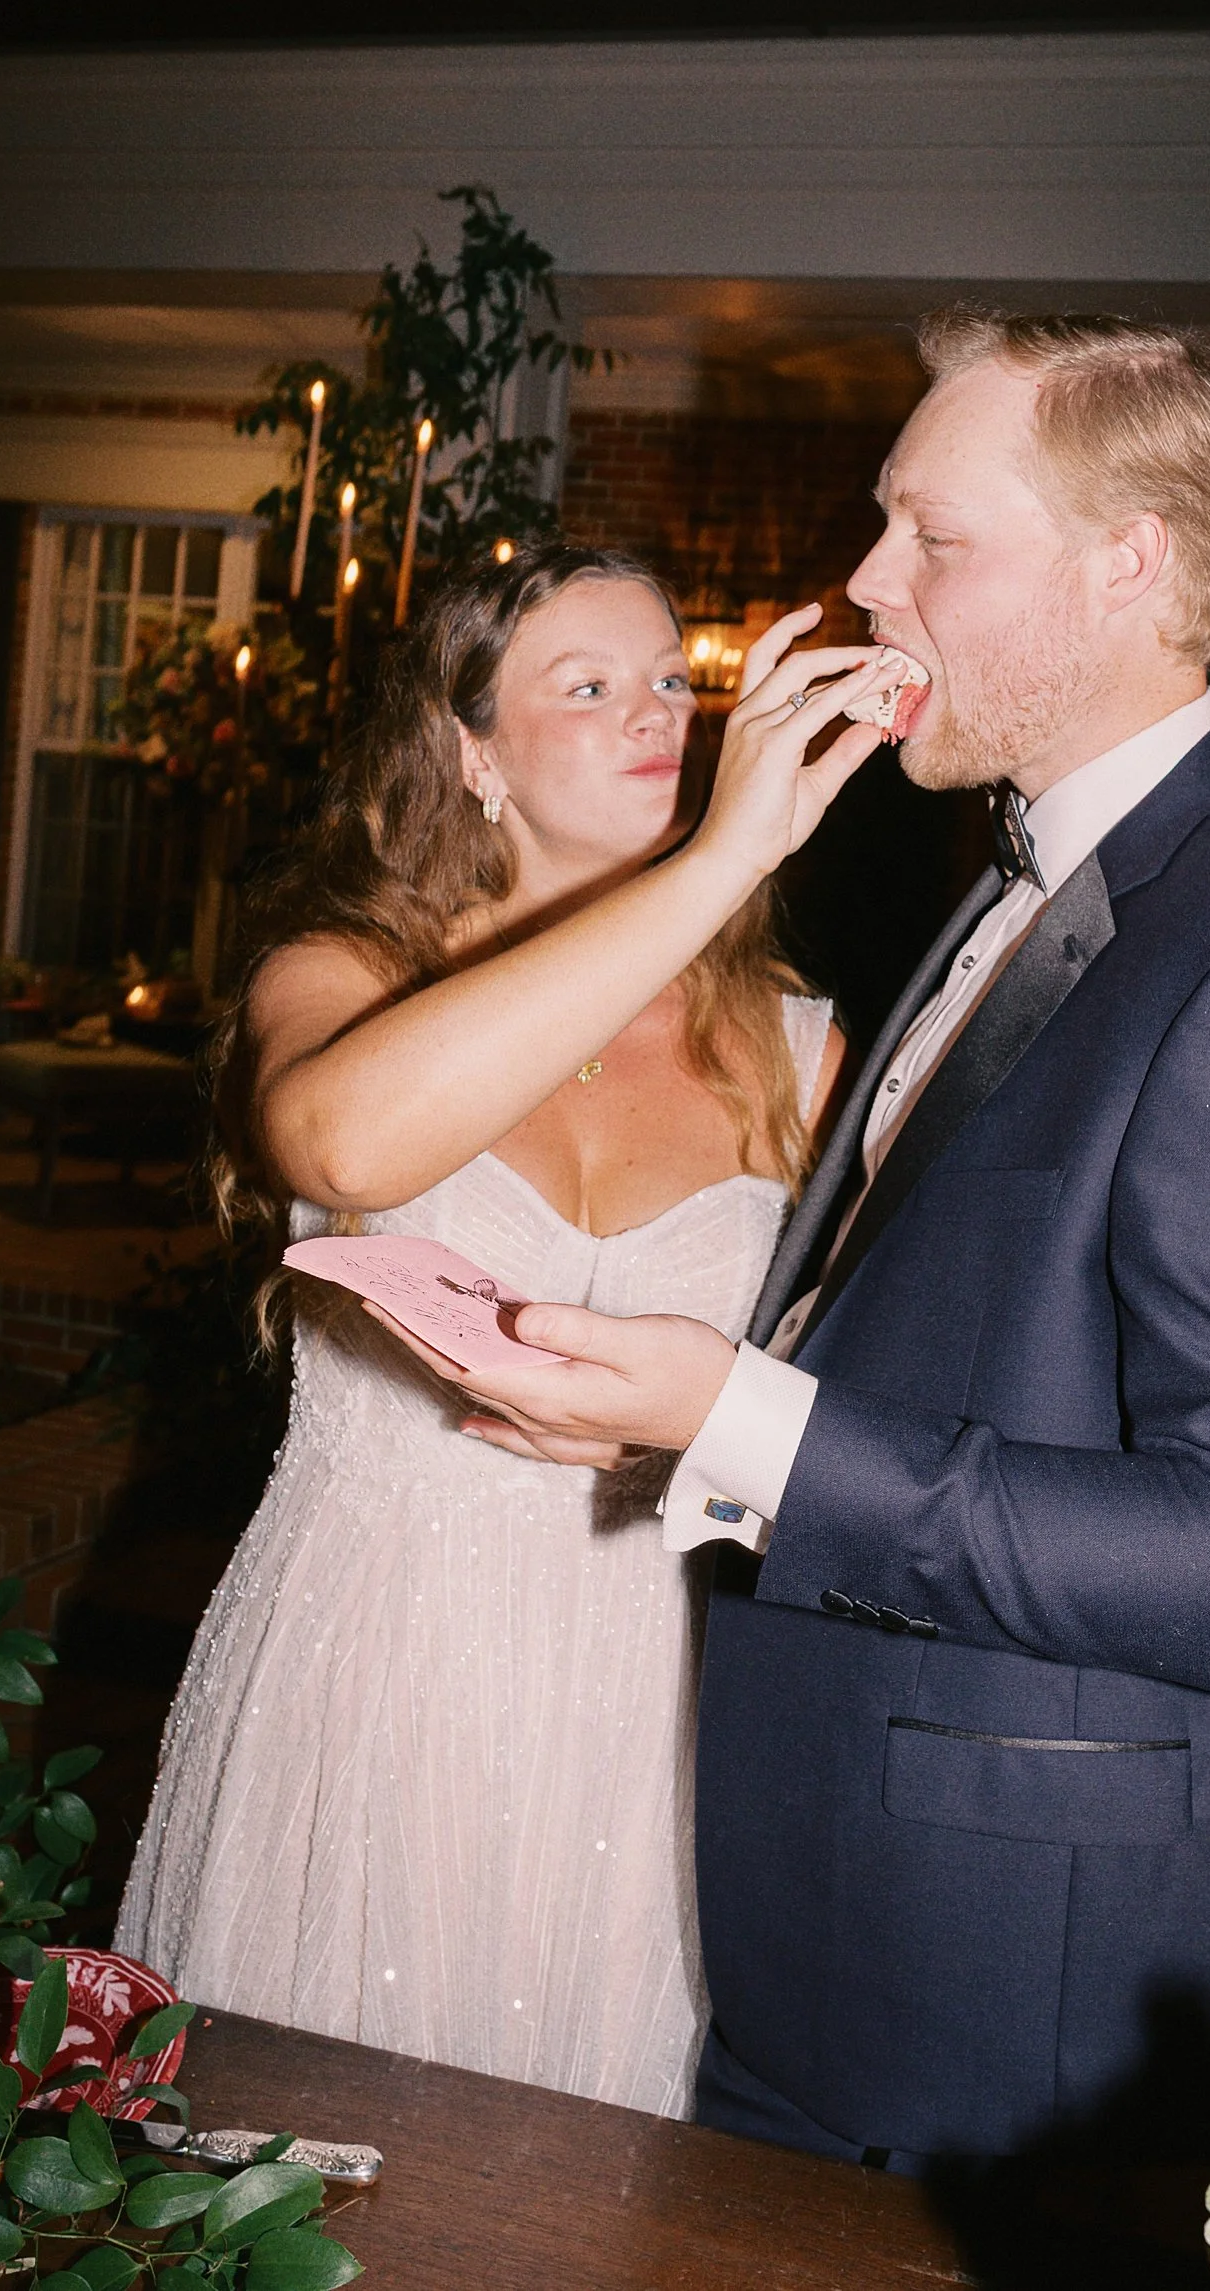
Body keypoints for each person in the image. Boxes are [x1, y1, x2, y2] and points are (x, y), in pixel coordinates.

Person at [385, 314, 1210, 2172]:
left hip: (1019, 2002)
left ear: (1132, 565)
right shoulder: (1029, 874)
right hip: (827, 1932)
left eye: (932, 539)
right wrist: (682, 1423)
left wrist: (756, 1430)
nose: (867, 584)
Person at [116, 541, 904, 2117]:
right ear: (470, 753)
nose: (655, 713)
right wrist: (712, 867)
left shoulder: (800, 1052)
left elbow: (865, 1401)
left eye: (672, 679)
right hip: (367, 1668)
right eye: (589, 685)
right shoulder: (344, 975)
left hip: (645, 1703)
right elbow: (338, 1147)